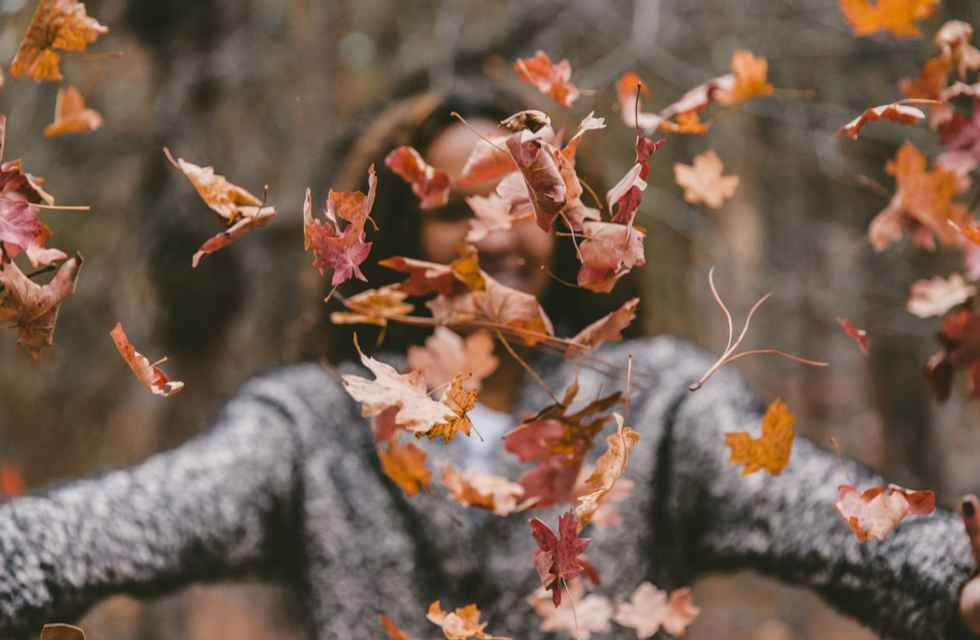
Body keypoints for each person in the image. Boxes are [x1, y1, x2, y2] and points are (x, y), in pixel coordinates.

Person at [2, 82, 980, 640]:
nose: (492, 234)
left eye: (520, 203)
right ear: (394, 236)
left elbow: (828, 518)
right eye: (451, 204)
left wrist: (957, 577)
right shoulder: (313, 425)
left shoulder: (650, 406)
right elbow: (121, 522)